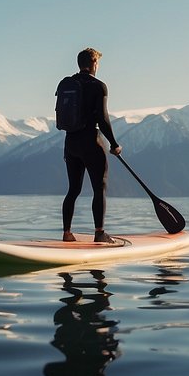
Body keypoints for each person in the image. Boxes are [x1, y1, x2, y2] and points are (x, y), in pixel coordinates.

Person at [59, 47, 121, 244]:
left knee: (73, 189)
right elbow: (102, 119)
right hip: (90, 142)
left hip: (70, 142)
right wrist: (114, 143)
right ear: (94, 63)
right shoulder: (99, 86)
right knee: (99, 187)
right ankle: (99, 232)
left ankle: (67, 233)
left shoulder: (67, 83)